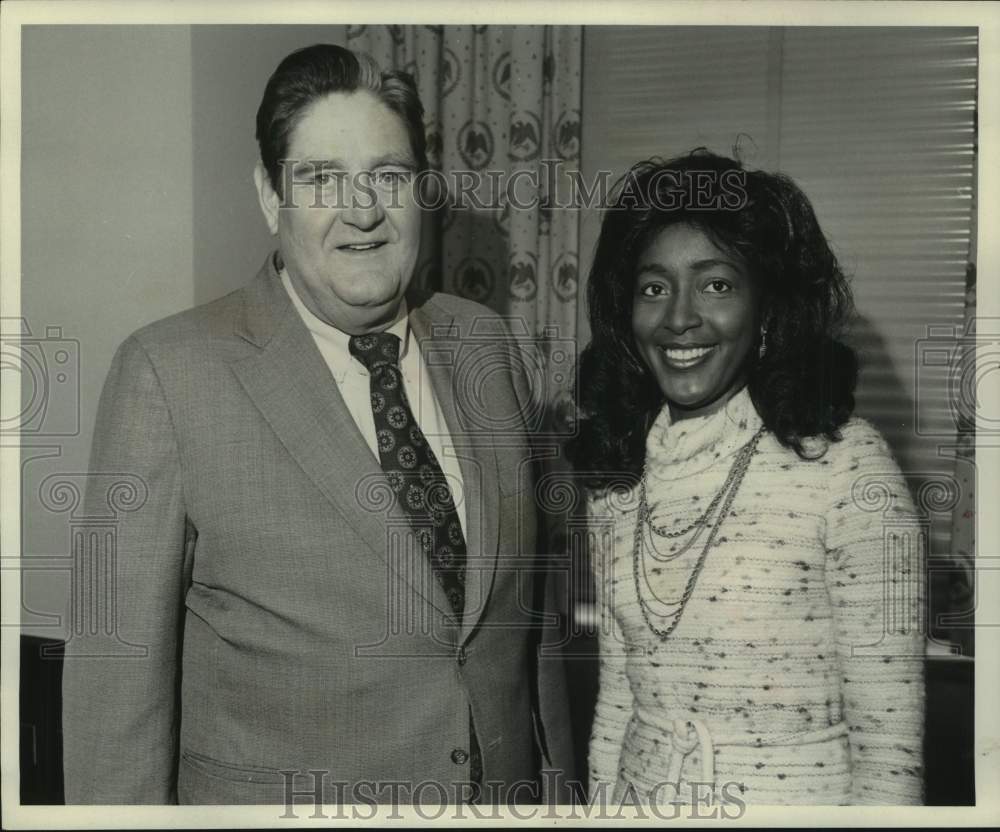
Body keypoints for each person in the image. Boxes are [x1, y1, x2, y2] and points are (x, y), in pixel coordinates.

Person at [62, 43, 571, 806]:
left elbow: (522, 632)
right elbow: (114, 700)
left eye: (388, 176)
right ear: (271, 197)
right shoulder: (168, 376)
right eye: (323, 178)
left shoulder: (486, 347)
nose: (362, 211)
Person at [568, 150, 925, 806]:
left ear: (767, 310)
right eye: (654, 287)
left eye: (716, 284)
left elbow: (889, 748)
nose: (680, 317)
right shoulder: (617, 480)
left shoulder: (848, 469)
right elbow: (618, 705)